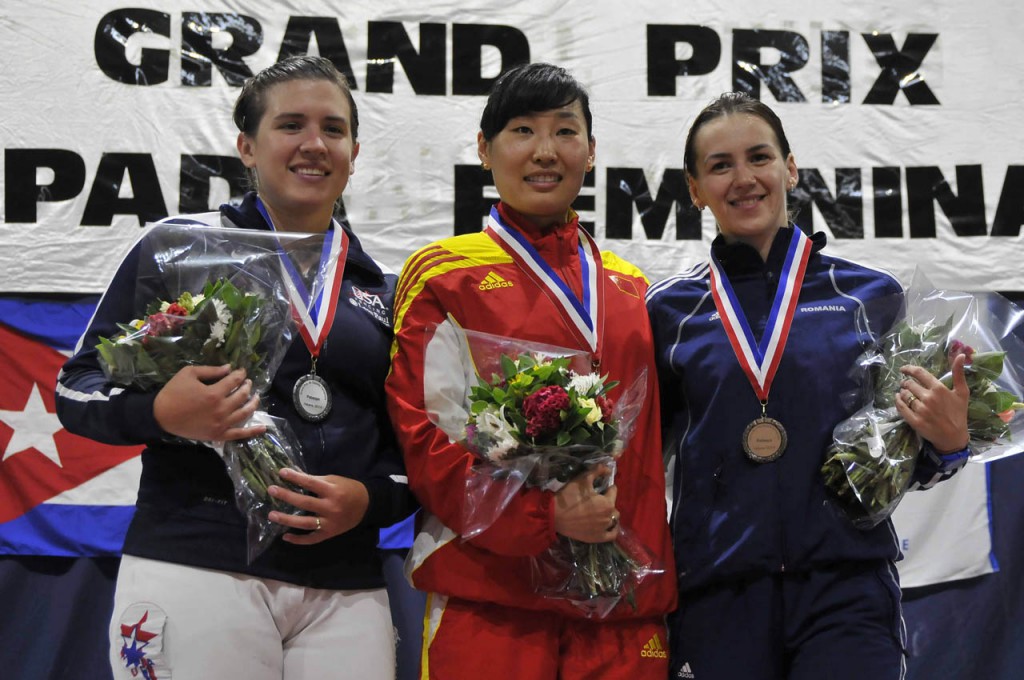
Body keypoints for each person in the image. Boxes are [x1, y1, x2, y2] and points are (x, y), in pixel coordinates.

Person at [56, 56, 413, 680]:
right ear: (247, 146)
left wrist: (369, 499)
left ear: (355, 151)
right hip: (199, 561)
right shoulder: (178, 249)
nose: (314, 144)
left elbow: (414, 450)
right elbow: (75, 389)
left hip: (348, 585)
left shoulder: (383, 290)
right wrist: (162, 412)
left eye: (333, 129)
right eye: (291, 125)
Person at [646, 92, 972, 680]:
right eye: (720, 166)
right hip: (719, 593)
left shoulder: (869, 296)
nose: (744, 178)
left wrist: (949, 444)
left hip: (846, 590)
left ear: (789, 169)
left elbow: (900, 460)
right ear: (694, 189)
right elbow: (642, 462)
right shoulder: (669, 312)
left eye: (759, 157)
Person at [384, 62, 677, 680]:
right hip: (492, 601)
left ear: (591, 152)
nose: (545, 152)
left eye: (565, 132)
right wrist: (545, 519)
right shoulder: (443, 274)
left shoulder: (632, 287)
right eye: (522, 130)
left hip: (625, 610)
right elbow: (424, 437)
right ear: (486, 150)